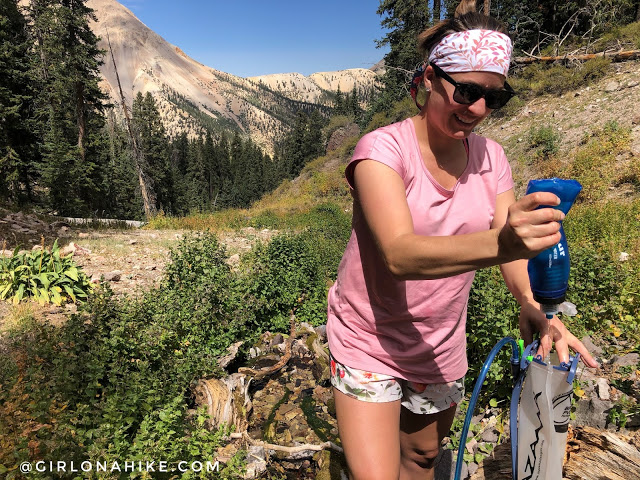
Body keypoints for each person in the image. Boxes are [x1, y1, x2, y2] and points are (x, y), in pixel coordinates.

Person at [325, 1, 599, 479]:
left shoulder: (492, 158)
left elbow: (506, 242)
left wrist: (532, 304)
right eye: (467, 91)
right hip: (367, 339)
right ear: (430, 77)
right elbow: (399, 253)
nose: (477, 109)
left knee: (423, 458)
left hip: (439, 343)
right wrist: (504, 245)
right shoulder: (381, 151)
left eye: (493, 98)